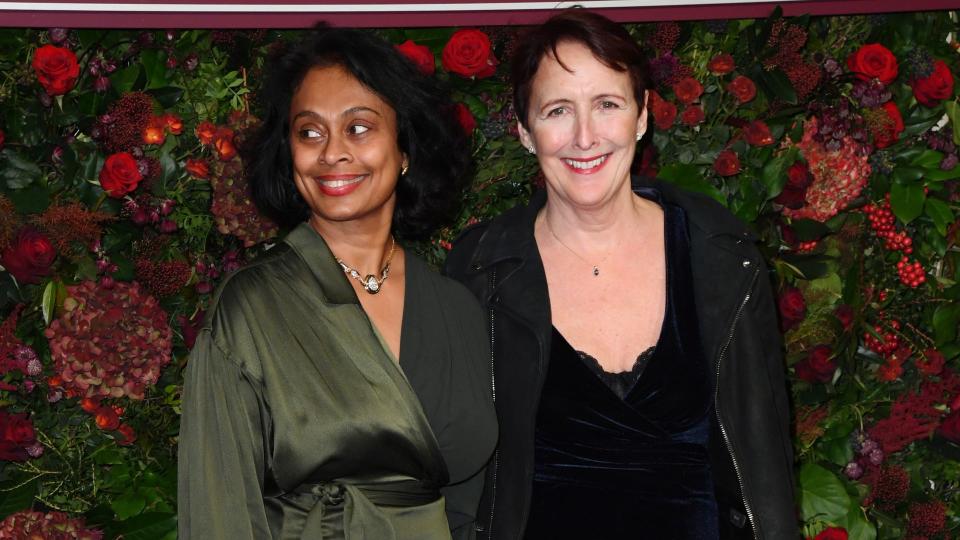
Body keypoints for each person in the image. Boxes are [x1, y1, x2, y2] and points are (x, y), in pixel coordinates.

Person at [446, 10, 796, 540]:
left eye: (606, 104)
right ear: (524, 130)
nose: (585, 137)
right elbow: (457, 476)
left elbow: (765, 461)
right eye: (557, 110)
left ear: (641, 115)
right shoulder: (480, 271)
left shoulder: (723, 258)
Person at [178, 25, 497, 540]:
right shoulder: (252, 308)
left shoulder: (455, 307)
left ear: (405, 147)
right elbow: (219, 513)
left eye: (359, 128)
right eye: (309, 132)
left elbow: (469, 504)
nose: (331, 153)